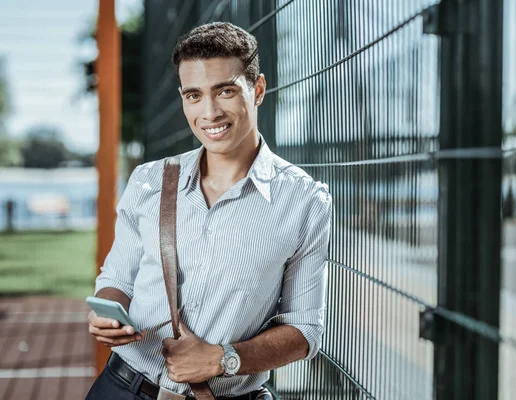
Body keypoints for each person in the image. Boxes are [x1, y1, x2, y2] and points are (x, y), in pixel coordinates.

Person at [85, 22, 332, 400]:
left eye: (226, 91)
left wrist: (223, 359)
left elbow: (304, 332)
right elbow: (118, 278)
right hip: (123, 387)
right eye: (194, 96)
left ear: (258, 89)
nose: (210, 112)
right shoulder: (148, 181)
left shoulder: (304, 201)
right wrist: (108, 314)